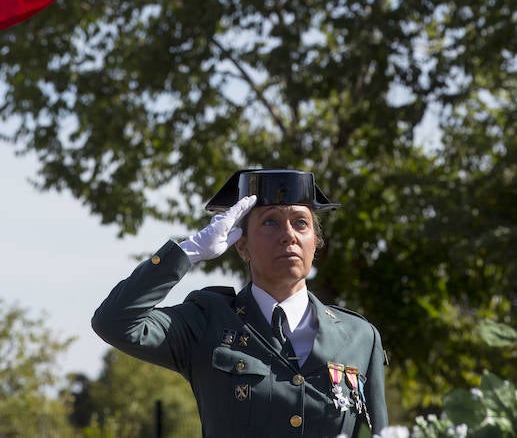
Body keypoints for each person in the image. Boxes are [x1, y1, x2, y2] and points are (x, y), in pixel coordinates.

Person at [92, 169, 388, 437]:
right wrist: (189, 252)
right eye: (270, 222)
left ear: (316, 242)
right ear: (241, 244)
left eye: (301, 223)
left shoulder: (360, 336)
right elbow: (115, 321)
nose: (288, 236)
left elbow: (376, 433)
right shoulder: (208, 321)